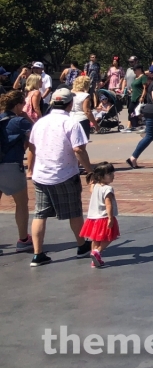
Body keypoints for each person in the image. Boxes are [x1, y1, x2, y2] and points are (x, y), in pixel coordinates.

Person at [25, 88, 94, 267]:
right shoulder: (70, 122)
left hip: (41, 175)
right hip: (64, 173)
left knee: (40, 213)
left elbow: (31, 145)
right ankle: (81, 246)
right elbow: (78, 149)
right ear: (70, 104)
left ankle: (37, 254)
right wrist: (90, 170)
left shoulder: (40, 122)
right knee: (74, 212)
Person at [0, 90, 34, 254]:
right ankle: (23, 239)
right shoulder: (19, 121)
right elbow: (35, 136)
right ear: (18, 105)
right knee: (21, 203)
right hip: (12, 166)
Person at [79, 162, 119, 268]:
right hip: (104, 217)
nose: (112, 176)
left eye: (112, 173)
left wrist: (92, 182)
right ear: (101, 176)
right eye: (110, 174)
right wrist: (110, 218)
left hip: (93, 218)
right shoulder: (108, 189)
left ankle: (95, 258)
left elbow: (91, 189)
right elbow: (108, 204)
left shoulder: (96, 186)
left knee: (95, 239)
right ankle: (97, 252)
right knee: (110, 237)